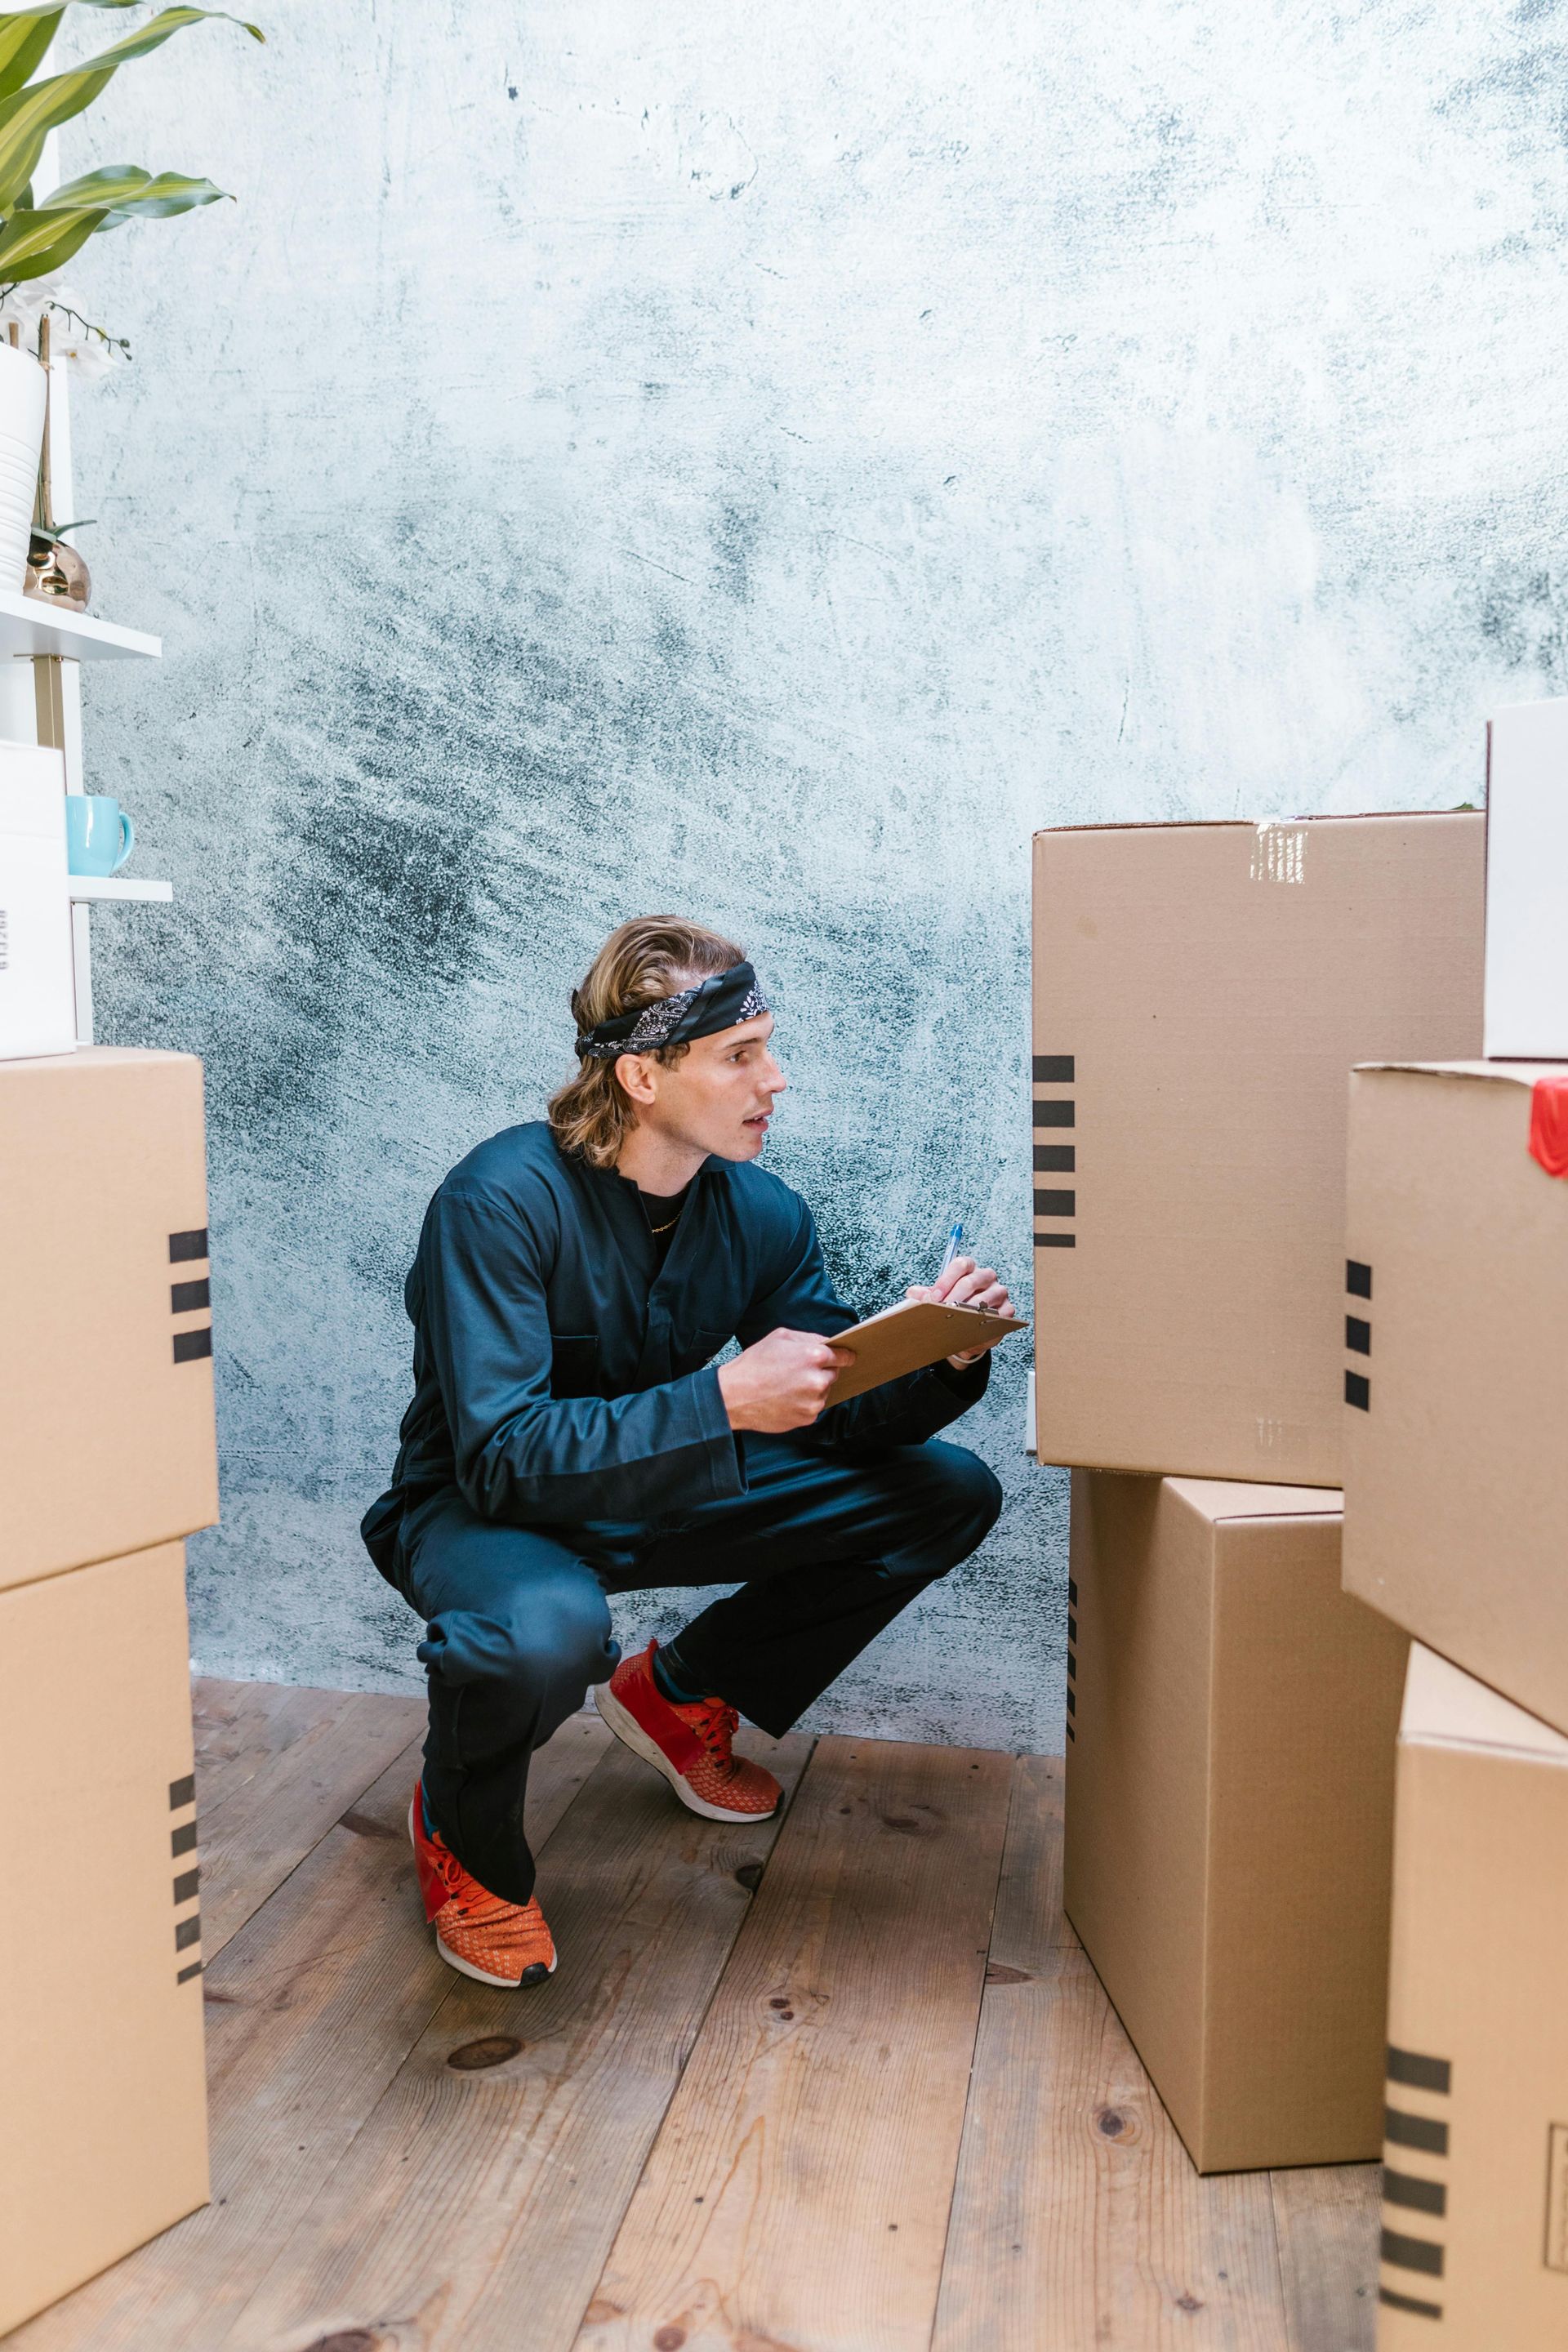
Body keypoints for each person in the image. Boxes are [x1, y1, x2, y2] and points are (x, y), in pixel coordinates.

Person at [361, 917, 1010, 1988]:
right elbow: (501, 1459)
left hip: (665, 1486)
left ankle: (677, 1692)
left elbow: (832, 1411)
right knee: (540, 1634)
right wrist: (719, 1403)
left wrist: (937, 1356)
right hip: (484, 1514)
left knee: (944, 1494)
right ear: (643, 1076)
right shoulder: (497, 1201)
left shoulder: (758, 1210)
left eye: (767, 1045)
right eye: (740, 1054)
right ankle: (466, 1842)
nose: (776, 1078)